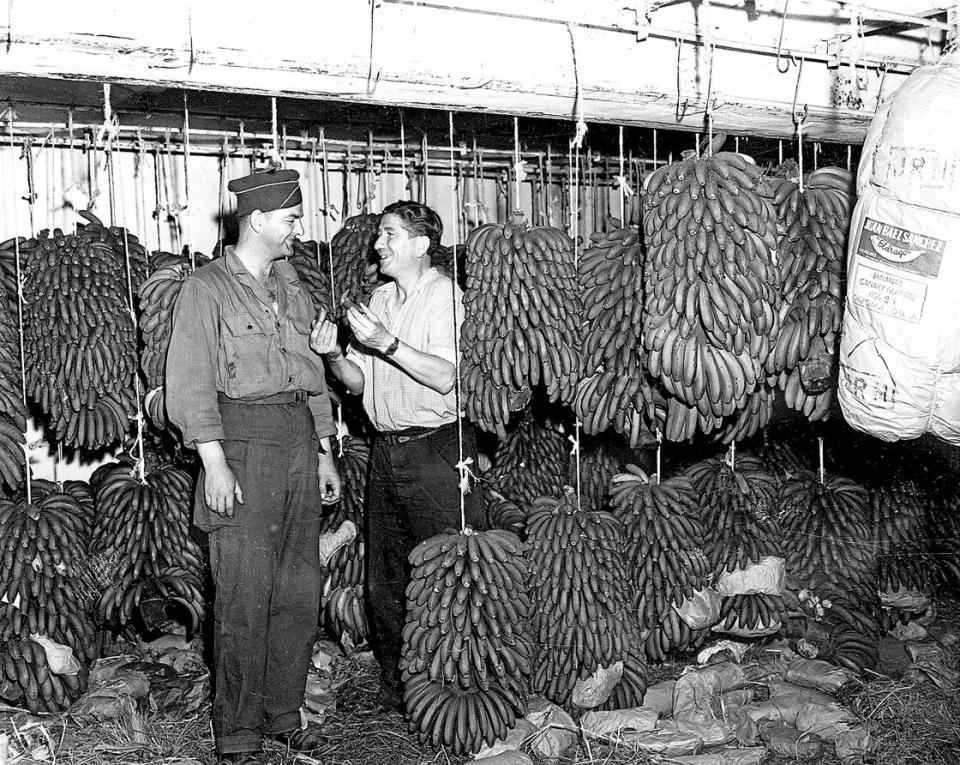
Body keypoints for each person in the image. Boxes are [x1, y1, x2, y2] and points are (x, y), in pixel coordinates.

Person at [166, 168, 341, 765]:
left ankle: (282, 713)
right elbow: (187, 383)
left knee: (298, 588)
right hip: (241, 442)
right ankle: (238, 731)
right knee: (242, 592)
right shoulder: (206, 288)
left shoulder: (293, 286)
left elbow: (312, 374)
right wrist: (214, 463)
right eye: (291, 220)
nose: (299, 230)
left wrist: (322, 450)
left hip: (296, 437)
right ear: (259, 220)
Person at [310, 200, 484, 712]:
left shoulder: (447, 299)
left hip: (439, 449)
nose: (377, 245)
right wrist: (335, 355)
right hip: (388, 451)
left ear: (421, 244)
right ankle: (397, 688)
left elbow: (446, 375)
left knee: (448, 571)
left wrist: (386, 342)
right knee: (385, 578)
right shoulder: (381, 299)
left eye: (389, 235)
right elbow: (359, 383)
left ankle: (456, 691)